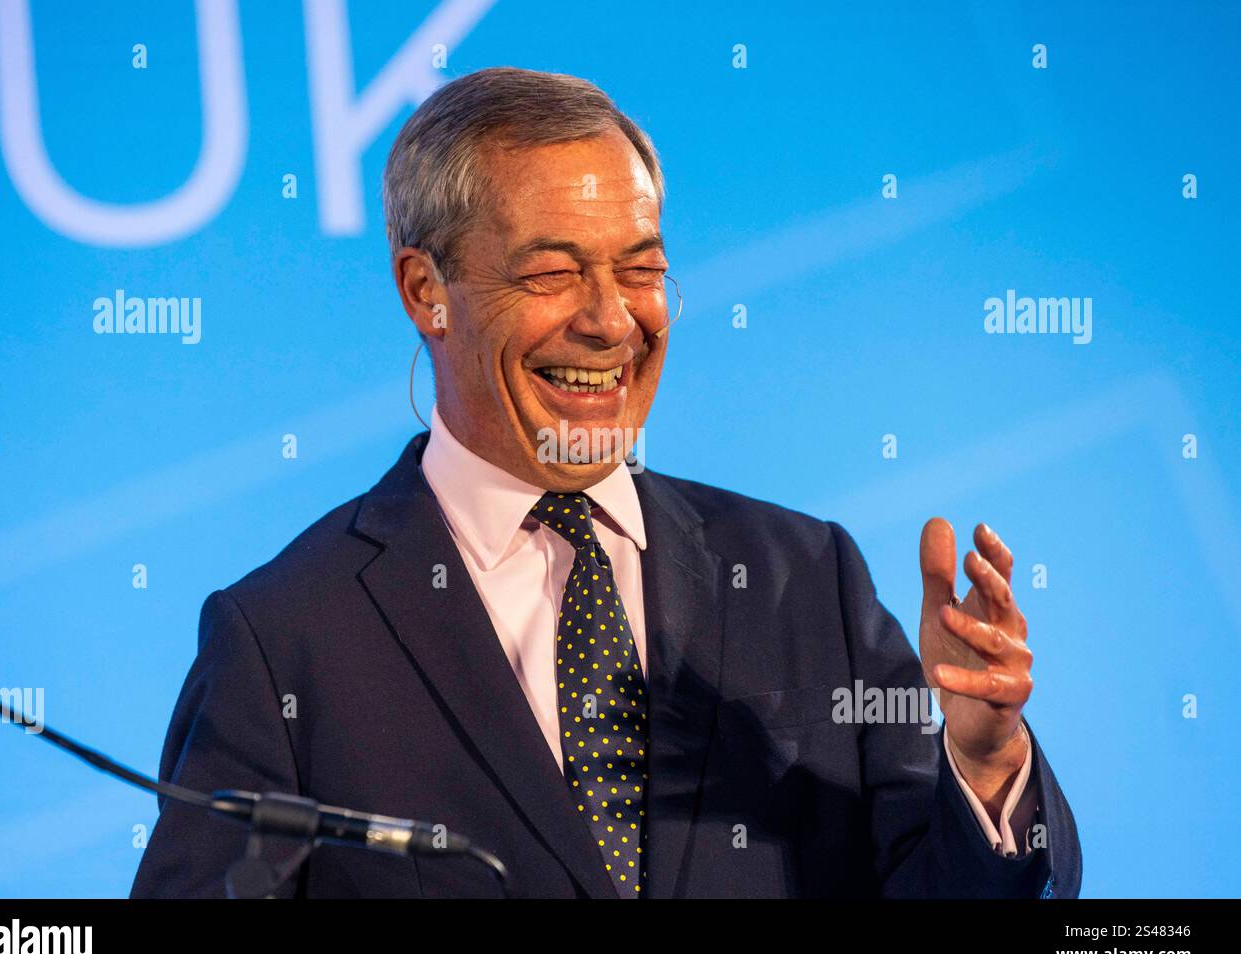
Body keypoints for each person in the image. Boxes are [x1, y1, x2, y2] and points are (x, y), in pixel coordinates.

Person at [132, 67, 1079, 898]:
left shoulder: (805, 580)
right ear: (426, 291)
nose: (610, 319)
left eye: (643, 268)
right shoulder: (287, 638)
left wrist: (985, 766)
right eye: (552, 272)